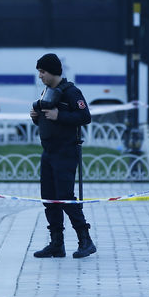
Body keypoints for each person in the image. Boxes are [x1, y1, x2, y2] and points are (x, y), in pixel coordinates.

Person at [30, 53, 96, 259]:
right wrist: (36, 118)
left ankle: (85, 240)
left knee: (65, 197)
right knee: (49, 198)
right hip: (48, 151)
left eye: (42, 72)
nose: (40, 76)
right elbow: (47, 120)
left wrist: (61, 116)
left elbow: (85, 117)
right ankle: (56, 243)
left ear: (52, 71)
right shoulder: (47, 91)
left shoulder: (72, 92)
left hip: (65, 151)